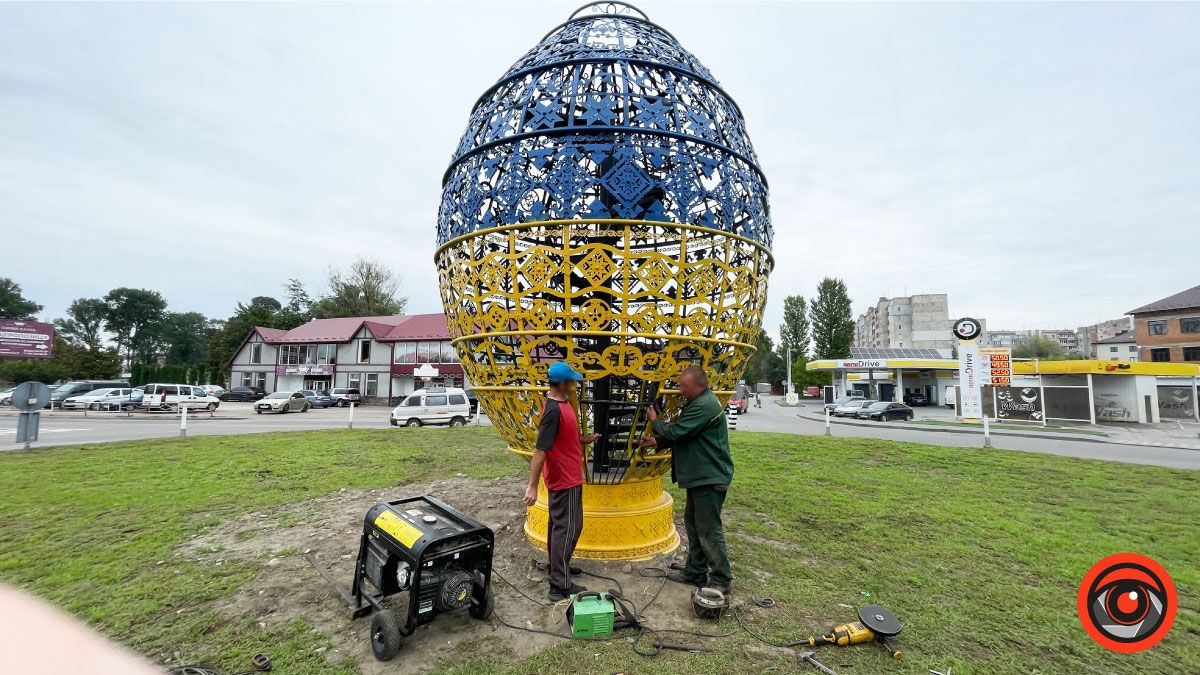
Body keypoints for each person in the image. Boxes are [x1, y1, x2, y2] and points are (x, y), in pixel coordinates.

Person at [639, 365, 734, 594]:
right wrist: (657, 442)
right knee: (694, 524)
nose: (680, 390)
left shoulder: (704, 405)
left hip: (709, 477)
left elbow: (678, 431)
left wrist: (655, 421)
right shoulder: (698, 403)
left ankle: (721, 579)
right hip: (700, 476)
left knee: (708, 529)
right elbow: (688, 434)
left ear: (699, 385)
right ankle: (695, 571)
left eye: (684, 386)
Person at [524, 361, 600, 601]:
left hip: (570, 476)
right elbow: (540, 450)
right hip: (564, 479)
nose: (575, 384)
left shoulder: (564, 404)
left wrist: (585, 440)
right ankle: (559, 585)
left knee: (561, 528)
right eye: (572, 381)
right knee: (568, 529)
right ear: (563, 383)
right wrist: (532, 486)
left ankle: (560, 567)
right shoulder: (553, 411)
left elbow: (566, 436)